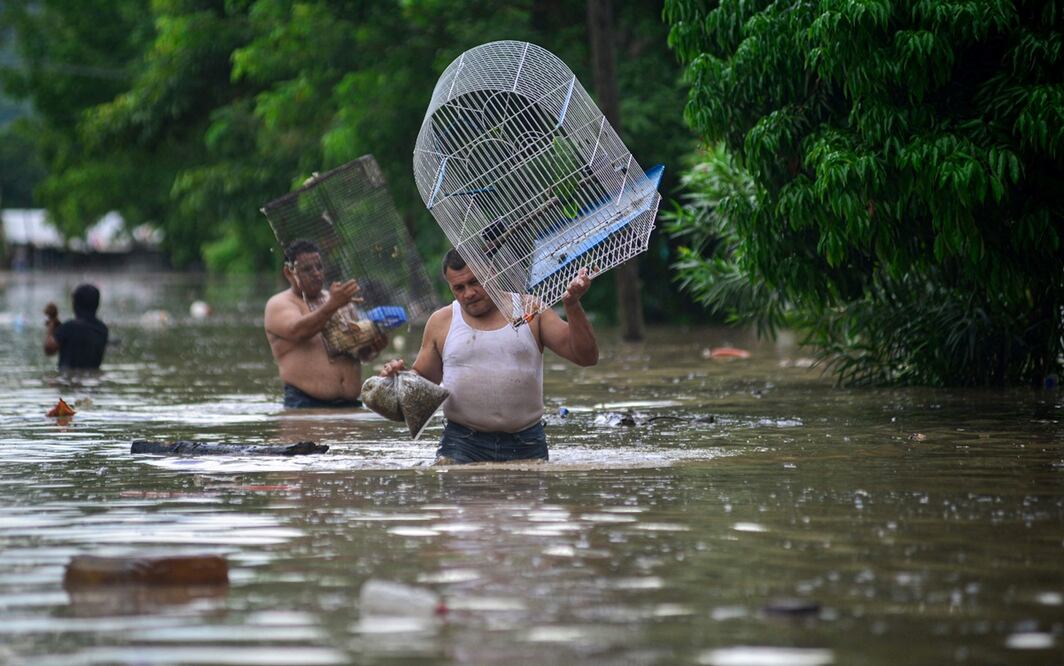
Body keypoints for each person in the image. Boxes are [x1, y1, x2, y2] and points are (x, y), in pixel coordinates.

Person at [380, 248, 598, 463]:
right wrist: (399, 379)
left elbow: (586, 357)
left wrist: (572, 305)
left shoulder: (530, 309)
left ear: (493, 274)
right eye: (459, 287)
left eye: (475, 282)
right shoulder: (441, 321)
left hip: (526, 442)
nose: (469, 293)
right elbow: (423, 381)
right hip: (462, 443)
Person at [264, 239, 388, 408]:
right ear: (288, 272)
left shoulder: (338, 299)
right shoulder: (280, 304)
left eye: (319, 267)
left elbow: (358, 353)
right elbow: (299, 331)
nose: (316, 273)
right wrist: (333, 305)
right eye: (307, 269)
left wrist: (373, 348)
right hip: (304, 406)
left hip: (351, 405)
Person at [43, 283, 109, 370]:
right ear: (97, 304)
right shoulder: (102, 329)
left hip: (68, 378)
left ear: (75, 305)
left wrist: (51, 323)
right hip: (92, 376)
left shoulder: (69, 327)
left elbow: (49, 349)